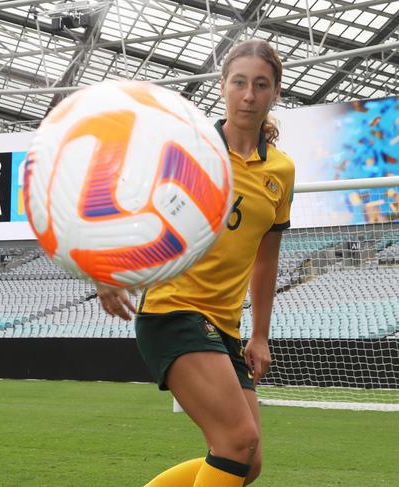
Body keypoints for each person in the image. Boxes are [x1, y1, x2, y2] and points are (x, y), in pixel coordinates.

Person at [97, 39, 295, 487]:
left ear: (275, 93)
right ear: (222, 86)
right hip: (174, 311)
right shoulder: (189, 148)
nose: (249, 95)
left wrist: (260, 334)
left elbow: (267, 257)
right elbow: (124, 202)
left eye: (261, 85)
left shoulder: (281, 172)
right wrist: (105, 270)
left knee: (250, 461)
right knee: (235, 443)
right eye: (239, 82)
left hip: (225, 326)